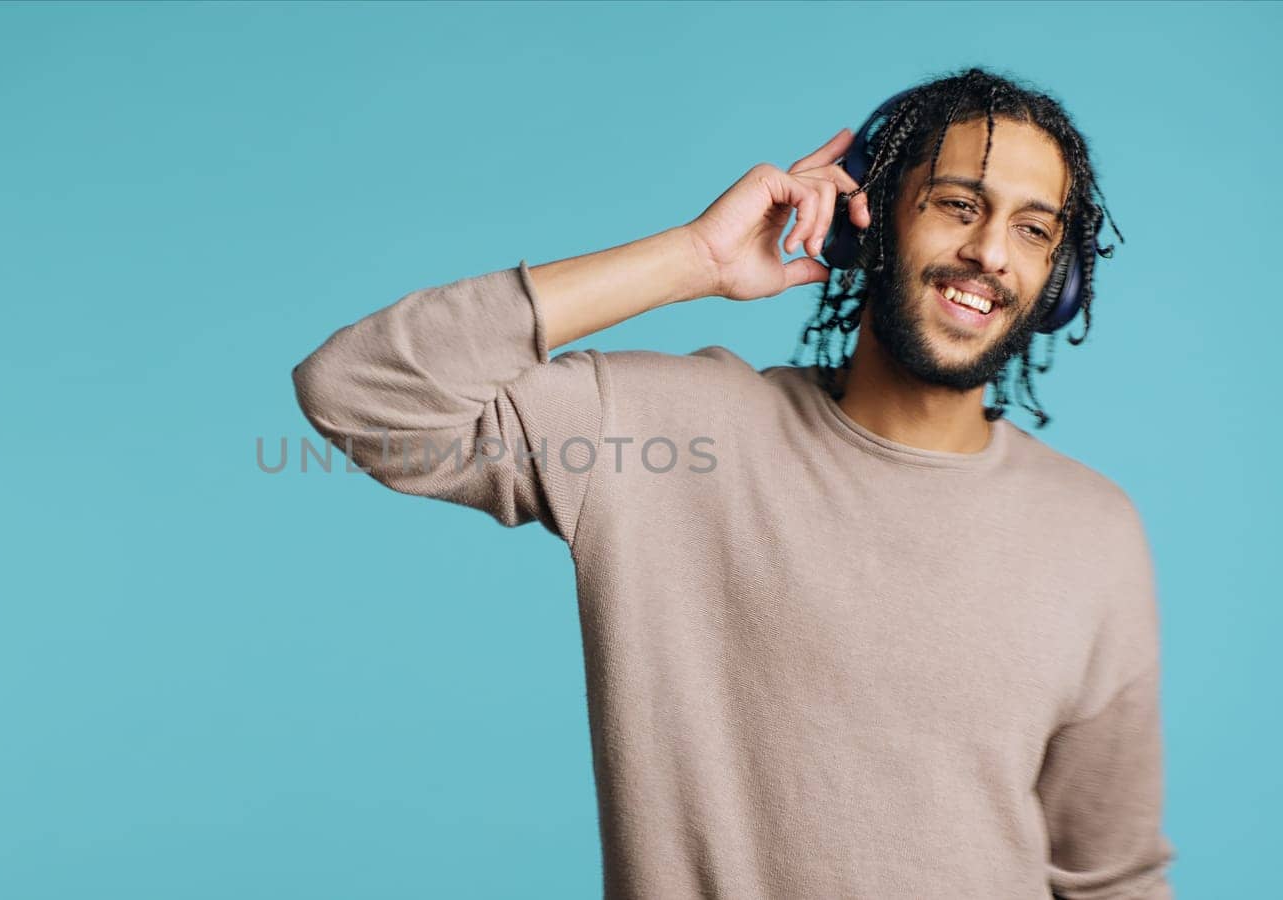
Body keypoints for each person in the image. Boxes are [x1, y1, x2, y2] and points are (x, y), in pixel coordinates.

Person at [291, 67, 1173, 899]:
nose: (989, 252)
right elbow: (361, 393)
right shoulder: (674, 436)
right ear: (866, 221)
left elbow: (1115, 876)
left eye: (1032, 228)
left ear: (1055, 279)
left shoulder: (1092, 529)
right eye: (957, 205)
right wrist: (693, 262)